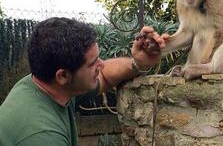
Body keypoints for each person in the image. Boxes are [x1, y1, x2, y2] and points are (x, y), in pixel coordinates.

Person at [0, 17, 165, 146]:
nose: (101, 65)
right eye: (93, 63)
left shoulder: (44, 85)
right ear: (63, 76)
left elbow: (105, 76)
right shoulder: (42, 135)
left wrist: (138, 63)